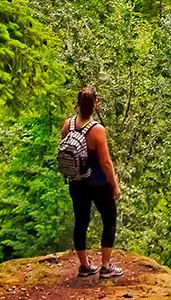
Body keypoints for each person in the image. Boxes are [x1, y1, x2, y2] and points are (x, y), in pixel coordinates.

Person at [62, 86, 123, 279]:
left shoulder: (67, 125)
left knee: (81, 222)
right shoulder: (97, 130)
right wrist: (115, 185)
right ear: (95, 105)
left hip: (76, 182)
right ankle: (105, 266)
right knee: (109, 220)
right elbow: (105, 162)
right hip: (98, 183)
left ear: (78, 104)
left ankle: (84, 266)